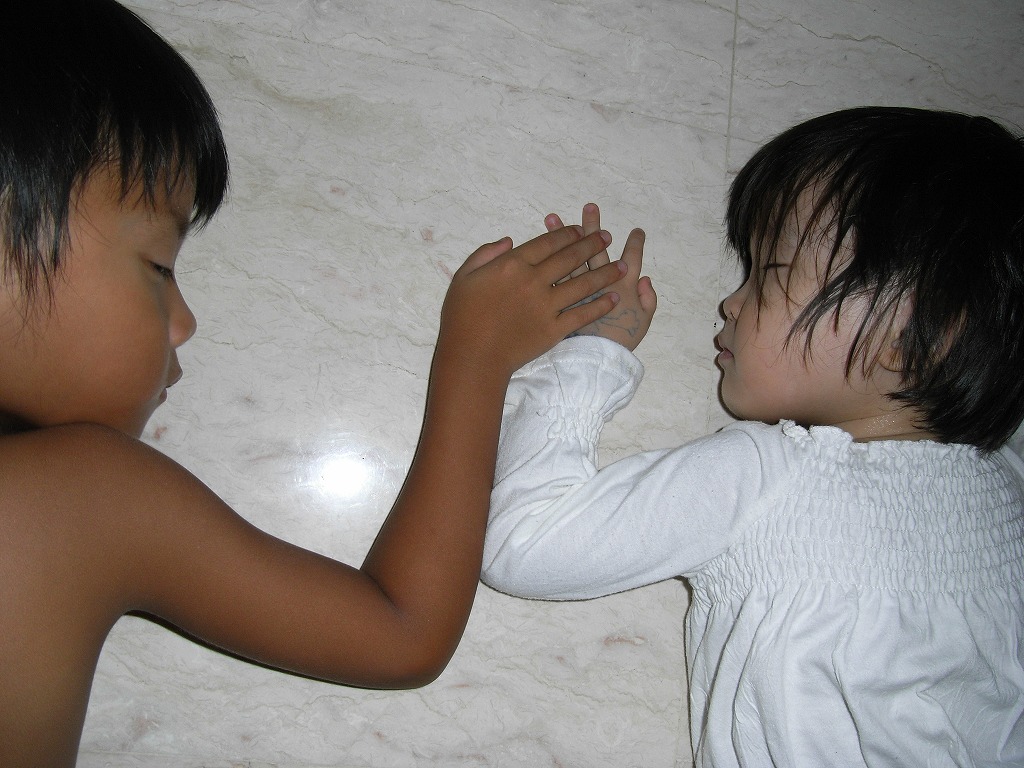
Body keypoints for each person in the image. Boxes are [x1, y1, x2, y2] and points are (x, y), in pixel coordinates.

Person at [0, 1, 629, 765]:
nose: (185, 323)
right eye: (158, 264)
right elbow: (401, 631)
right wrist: (477, 358)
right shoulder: (81, 498)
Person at [482, 107, 1024, 766]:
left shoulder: (768, 477)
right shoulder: (1009, 487)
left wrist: (594, 353)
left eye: (769, 275)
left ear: (912, 338)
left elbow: (523, 544)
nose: (729, 304)